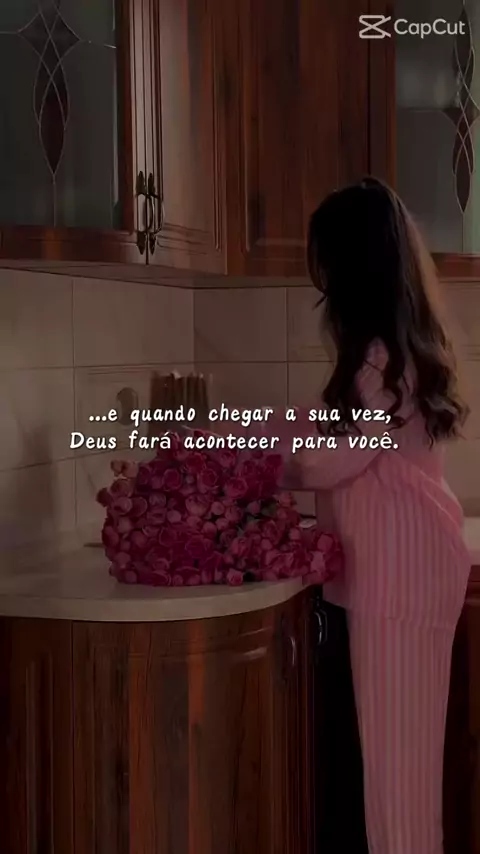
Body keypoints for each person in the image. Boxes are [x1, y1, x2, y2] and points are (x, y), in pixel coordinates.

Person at [207, 177, 471, 853]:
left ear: (354, 268)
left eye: (327, 263)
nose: (322, 283)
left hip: (399, 582)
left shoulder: (383, 362)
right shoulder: (389, 355)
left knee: (397, 778)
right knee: (398, 772)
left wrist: (248, 463)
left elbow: (333, 460)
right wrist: (237, 434)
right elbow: (323, 427)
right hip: (401, 575)